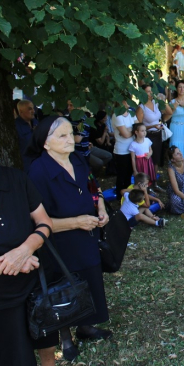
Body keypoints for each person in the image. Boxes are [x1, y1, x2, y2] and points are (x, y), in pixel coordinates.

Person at [26, 116, 112, 362]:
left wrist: (101, 209)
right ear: (45, 143)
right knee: (63, 288)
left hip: (86, 235)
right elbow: (37, 220)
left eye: (69, 134)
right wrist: (76, 222)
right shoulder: (38, 171)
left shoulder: (77, 159)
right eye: (61, 136)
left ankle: (86, 327)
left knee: (90, 279)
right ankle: (65, 338)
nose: (70, 139)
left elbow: (94, 189)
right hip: (58, 243)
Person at [0, 166, 56, 366]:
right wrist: (11, 263)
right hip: (4, 300)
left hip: (33, 286)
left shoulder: (16, 178)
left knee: (45, 345)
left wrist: (24, 250)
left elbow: (44, 222)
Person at [136, 84, 173, 180]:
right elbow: (138, 126)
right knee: (148, 160)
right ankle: (146, 183)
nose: (150, 93)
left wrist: (162, 101)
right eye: (148, 91)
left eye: (151, 91)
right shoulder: (141, 107)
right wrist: (153, 126)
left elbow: (169, 112)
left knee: (156, 159)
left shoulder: (156, 103)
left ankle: (154, 182)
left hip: (158, 134)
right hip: (148, 135)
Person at [111, 100, 137, 200]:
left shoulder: (131, 112)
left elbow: (137, 126)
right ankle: (119, 195)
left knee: (129, 174)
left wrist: (128, 130)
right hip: (121, 150)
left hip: (132, 148)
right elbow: (126, 134)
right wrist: (131, 131)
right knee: (122, 174)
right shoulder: (117, 115)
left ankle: (127, 195)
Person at [129, 123, 158, 188]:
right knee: (142, 178)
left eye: (145, 130)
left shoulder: (147, 140)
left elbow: (151, 150)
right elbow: (133, 158)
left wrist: (150, 154)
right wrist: (135, 170)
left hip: (148, 161)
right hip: (140, 163)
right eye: (142, 131)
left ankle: (149, 188)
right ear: (136, 132)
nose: (144, 132)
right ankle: (143, 190)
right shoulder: (133, 144)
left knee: (149, 175)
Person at [15, 100, 38, 172]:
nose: (33, 111)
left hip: (39, 162)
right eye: (29, 109)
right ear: (21, 111)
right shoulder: (16, 126)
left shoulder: (36, 122)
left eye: (33, 108)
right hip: (26, 165)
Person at [166, 145, 184, 217]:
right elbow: (176, 191)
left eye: (180, 152)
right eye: (177, 154)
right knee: (175, 201)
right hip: (177, 191)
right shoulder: (171, 169)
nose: (181, 154)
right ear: (173, 159)